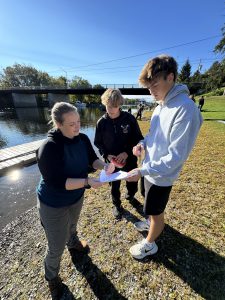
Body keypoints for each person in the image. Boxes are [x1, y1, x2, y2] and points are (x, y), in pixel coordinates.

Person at [126, 54, 203, 260]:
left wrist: (141, 170)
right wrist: (142, 144)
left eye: (154, 84)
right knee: (148, 205)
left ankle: (150, 244)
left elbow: (176, 156)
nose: (150, 91)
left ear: (171, 77)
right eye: (148, 87)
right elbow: (153, 136)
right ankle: (151, 224)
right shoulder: (161, 106)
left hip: (161, 175)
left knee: (156, 211)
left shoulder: (186, 109)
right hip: (149, 168)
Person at [36, 102, 114, 299]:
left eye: (78, 121)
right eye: (72, 124)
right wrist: (87, 182)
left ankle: (73, 242)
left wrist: (104, 166)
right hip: (52, 202)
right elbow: (58, 182)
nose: (77, 126)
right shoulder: (49, 147)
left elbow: (91, 159)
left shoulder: (82, 138)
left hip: (76, 196)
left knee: (72, 225)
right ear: (58, 124)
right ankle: (52, 277)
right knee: (55, 246)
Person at [94, 89, 143, 219]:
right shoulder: (101, 122)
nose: (111, 109)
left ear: (120, 105)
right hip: (112, 162)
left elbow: (138, 139)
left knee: (132, 182)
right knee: (114, 187)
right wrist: (107, 155)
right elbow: (98, 143)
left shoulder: (130, 119)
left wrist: (127, 153)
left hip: (129, 160)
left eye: (114, 106)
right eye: (108, 106)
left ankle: (130, 195)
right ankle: (117, 205)